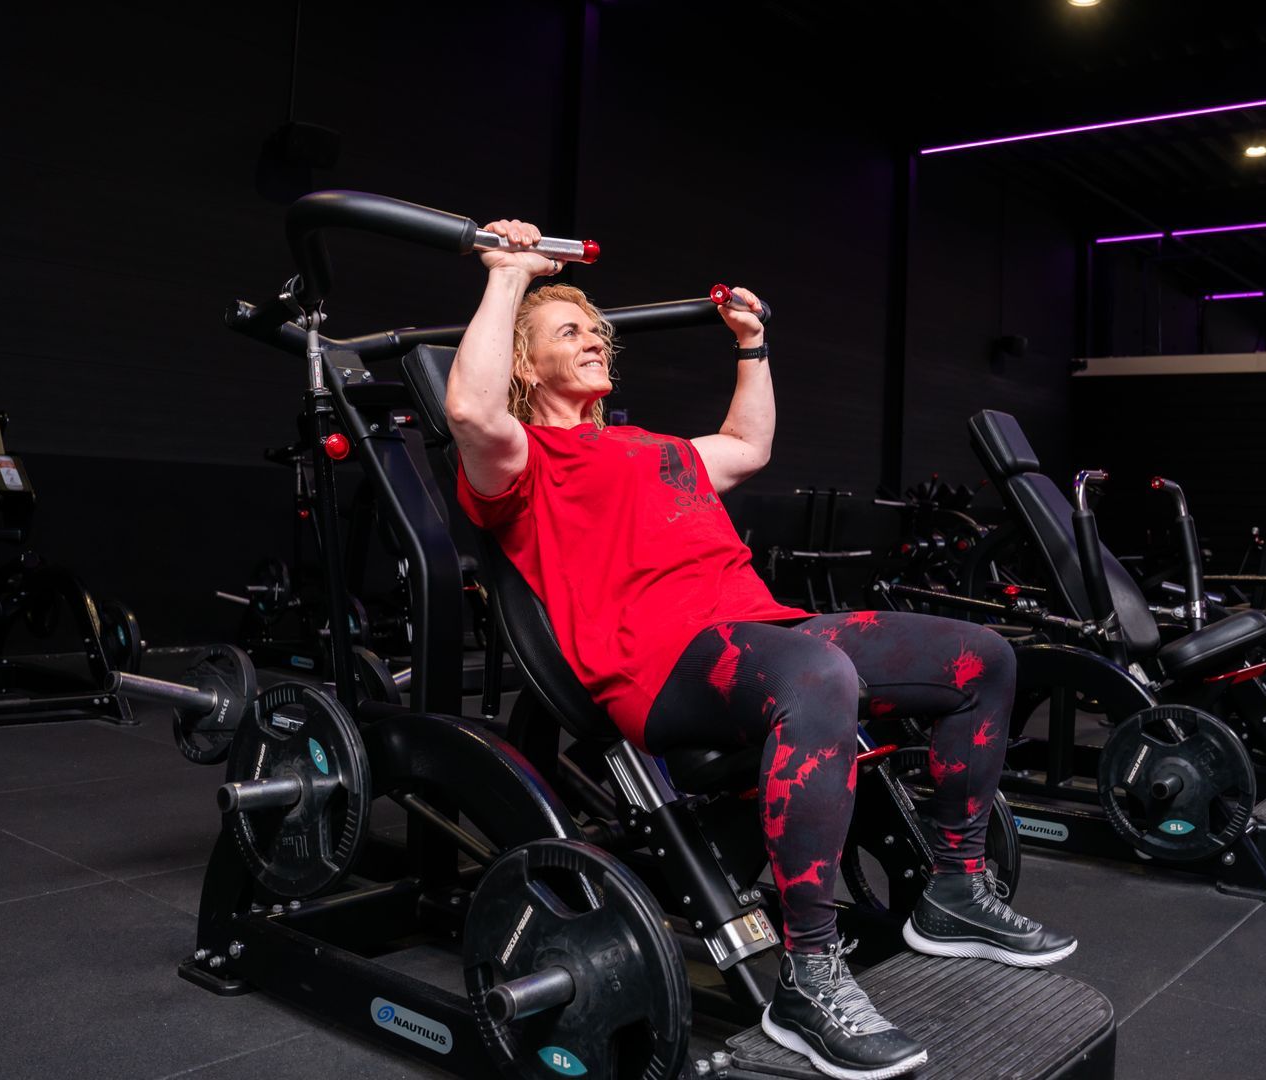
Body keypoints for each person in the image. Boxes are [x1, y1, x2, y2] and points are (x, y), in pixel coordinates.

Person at [446, 219, 1075, 1080]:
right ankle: (809, 978)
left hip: (761, 631)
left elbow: (748, 446)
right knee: (818, 675)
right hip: (658, 665)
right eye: (570, 331)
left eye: (596, 330)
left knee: (982, 658)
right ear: (525, 363)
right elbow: (470, 410)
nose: (594, 339)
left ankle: (956, 889)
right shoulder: (524, 461)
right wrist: (509, 275)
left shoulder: (652, 446)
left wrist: (752, 344)